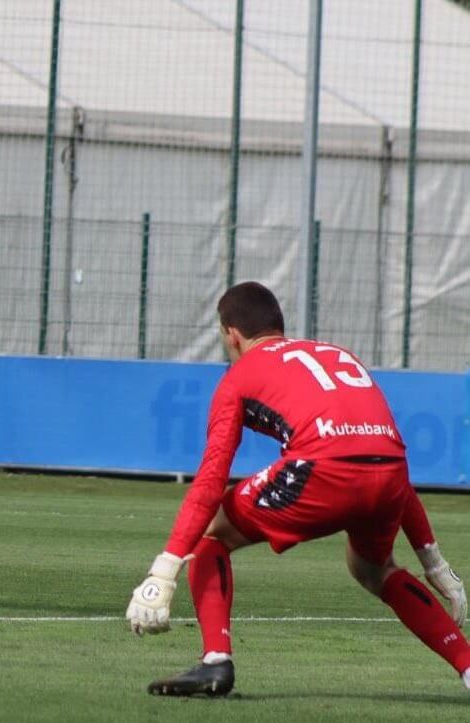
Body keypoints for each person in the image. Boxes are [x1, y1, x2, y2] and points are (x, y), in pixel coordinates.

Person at [126, 281, 470, 696]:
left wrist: (164, 571)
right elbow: (385, 453)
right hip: (391, 476)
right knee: (374, 569)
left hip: (322, 474)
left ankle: (215, 662)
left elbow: (211, 478)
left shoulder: (239, 378)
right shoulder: (338, 355)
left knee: (212, 533)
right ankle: (468, 667)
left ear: (232, 335)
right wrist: (434, 563)